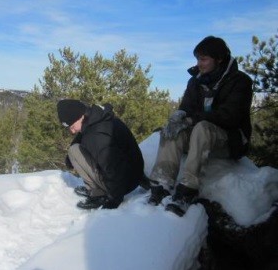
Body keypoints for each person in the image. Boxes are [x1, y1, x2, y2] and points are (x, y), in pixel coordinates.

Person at [148, 36, 253, 216]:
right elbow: (187, 108)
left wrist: (192, 120)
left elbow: (231, 116)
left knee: (202, 127)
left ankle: (188, 189)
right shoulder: (196, 81)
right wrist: (180, 116)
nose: (199, 63)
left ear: (219, 59)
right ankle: (161, 184)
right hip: (200, 136)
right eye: (197, 59)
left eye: (204, 59)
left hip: (230, 140)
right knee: (172, 128)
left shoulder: (240, 81)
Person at [57, 99, 146, 210]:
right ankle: (103, 189)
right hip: (134, 173)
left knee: (73, 151)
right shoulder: (99, 117)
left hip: (123, 184)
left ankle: (98, 193)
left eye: (72, 126)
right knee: (74, 149)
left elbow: (111, 168)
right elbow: (82, 135)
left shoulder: (96, 136)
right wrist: (69, 159)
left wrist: (114, 200)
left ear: (80, 117)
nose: (72, 131)